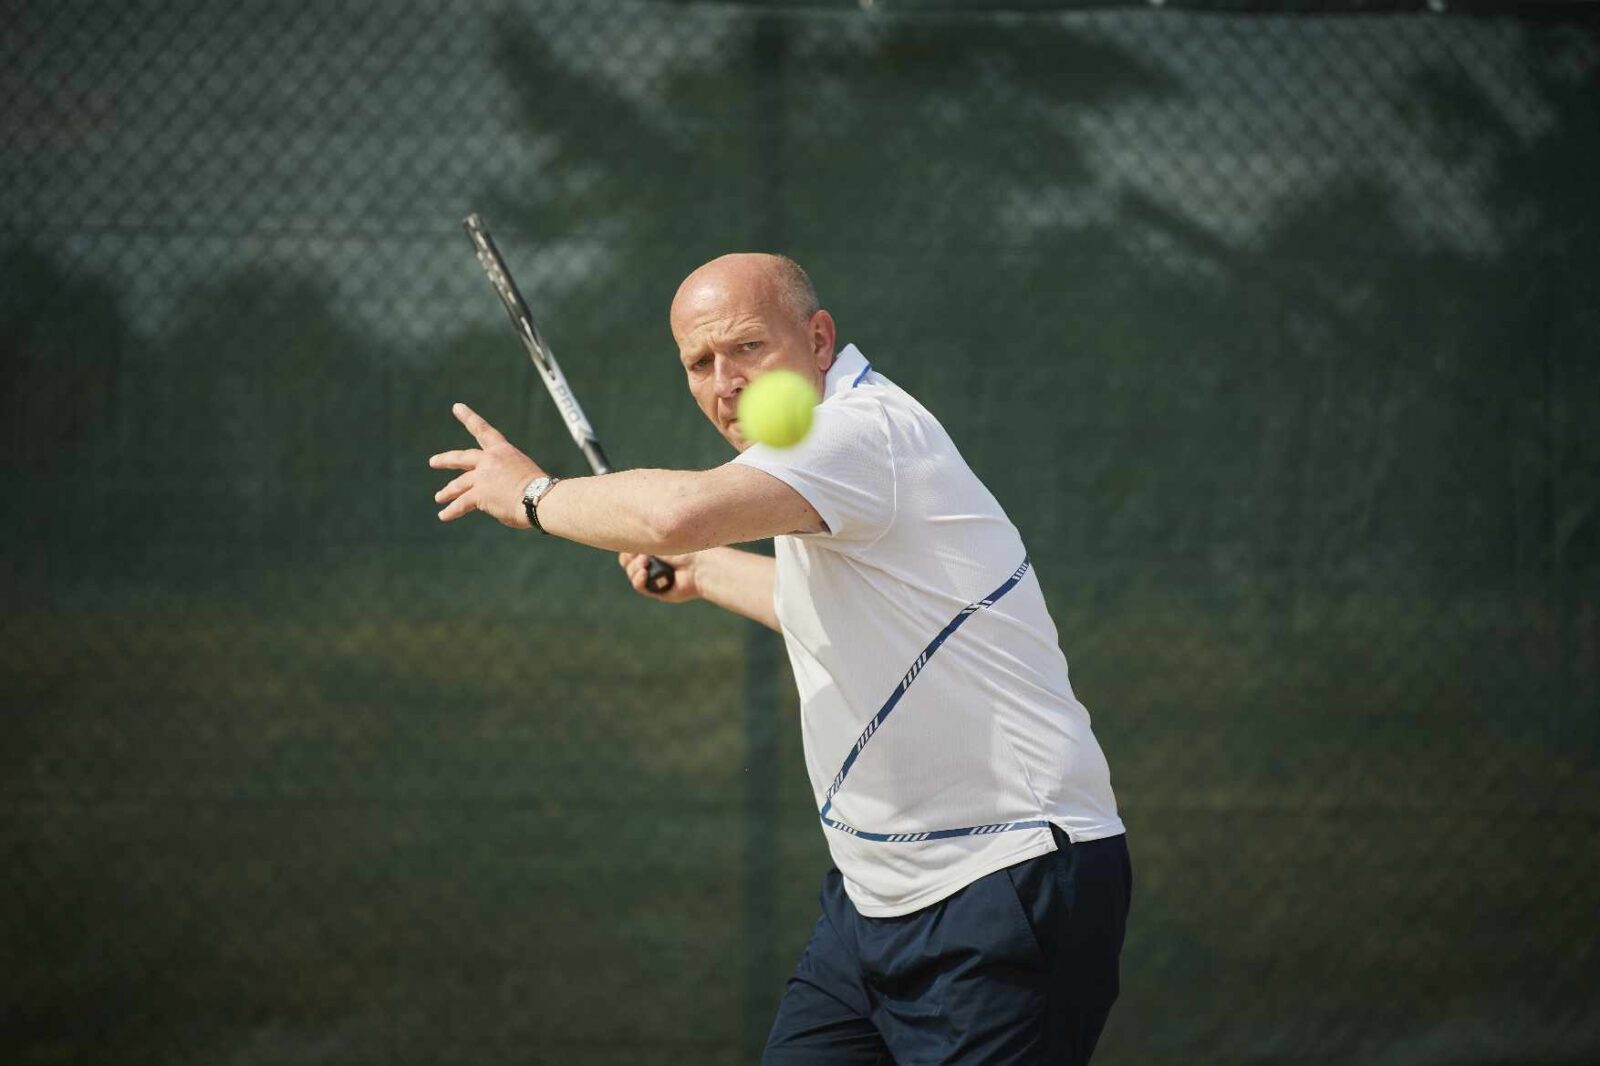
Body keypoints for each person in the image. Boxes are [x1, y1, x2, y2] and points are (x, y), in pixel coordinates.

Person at [429, 254, 1132, 1064]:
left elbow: (676, 514)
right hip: (871, 904)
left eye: (748, 348)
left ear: (819, 339)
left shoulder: (857, 431)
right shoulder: (818, 464)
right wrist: (703, 572)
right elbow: (828, 610)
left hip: (1007, 881)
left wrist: (532, 495)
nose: (724, 381)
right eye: (700, 363)